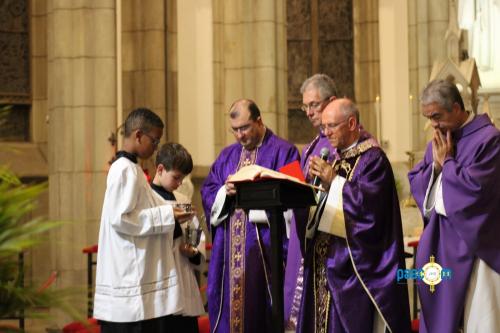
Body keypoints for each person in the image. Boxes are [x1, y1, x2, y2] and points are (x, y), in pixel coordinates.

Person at [297, 99, 411, 332]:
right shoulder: (334, 159)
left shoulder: (373, 160)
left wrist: (334, 182)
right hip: (323, 264)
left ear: (351, 123)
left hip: (352, 269)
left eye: (331, 126)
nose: (325, 133)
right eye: (323, 127)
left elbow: (371, 213)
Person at [408, 79, 500, 333]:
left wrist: (447, 164)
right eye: (429, 117)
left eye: (437, 116)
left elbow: (477, 193)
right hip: (441, 243)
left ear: (458, 108)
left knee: (477, 318)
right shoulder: (436, 143)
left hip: (477, 249)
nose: (434, 125)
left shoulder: (489, 140)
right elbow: (418, 181)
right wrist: (437, 166)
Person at [200, 99, 300, 333]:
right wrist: (225, 191)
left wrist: (258, 203)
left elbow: (295, 196)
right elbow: (208, 190)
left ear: (259, 121)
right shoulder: (227, 156)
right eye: (234, 130)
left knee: (260, 312)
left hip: (265, 251)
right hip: (229, 252)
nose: (239, 136)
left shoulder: (284, 151)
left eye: (244, 128)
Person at [93, 108, 193, 333]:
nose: (156, 147)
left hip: (135, 283)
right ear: (138, 135)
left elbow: (141, 210)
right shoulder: (123, 170)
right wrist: (169, 214)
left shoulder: (132, 168)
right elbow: (122, 218)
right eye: (154, 141)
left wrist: (172, 211)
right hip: (128, 284)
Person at [284, 74, 337, 331]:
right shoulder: (311, 146)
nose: (308, 112)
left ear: (332, 101)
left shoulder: (346, 142)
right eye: (304, 106)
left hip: (329, 243)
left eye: (313, 105)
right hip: (305, 236)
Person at [150, 142, 206, 333]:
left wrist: (192, 250)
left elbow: (196, 236)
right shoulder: (146, 199)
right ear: (160, 169)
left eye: (182, 178)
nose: (180, 183)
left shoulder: (182, 200)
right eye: (176, 177)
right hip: (158, 282)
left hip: (183, 280)